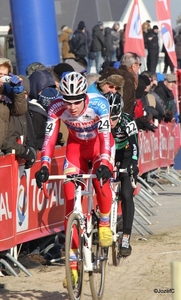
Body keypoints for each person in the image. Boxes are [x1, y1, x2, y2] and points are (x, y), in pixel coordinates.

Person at [35, 72, 114, 286]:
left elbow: (106, 136)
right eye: (68, 101)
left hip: (99, 146)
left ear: (84, 96)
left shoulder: (99, 104)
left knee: (100, 181)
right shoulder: (56, 107)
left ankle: (105, 222)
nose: (72, 107)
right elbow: (49, 139)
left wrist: (106, 163)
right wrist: (43, 165)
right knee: (70, 202)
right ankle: (72, 267)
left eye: (77, 101)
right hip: (76, 148)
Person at [105, 91, 139, 257]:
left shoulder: (127, 120)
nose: (111, 122)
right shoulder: (100, 121)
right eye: (108, 118)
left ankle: (126, 237)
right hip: (108, 155)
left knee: (126, 194)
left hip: (125, 156)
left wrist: (134, 163)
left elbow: (134, 145)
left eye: (114, 118)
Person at [1, 75, 36, 168]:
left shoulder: (25, 113)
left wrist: (30, 150)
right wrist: (24, 151)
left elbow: (30, 136)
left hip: (18, 163)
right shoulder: (6, 110)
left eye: (24, 94)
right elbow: (4, 141)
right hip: (6, 161)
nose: (21, 97)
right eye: (19, 93)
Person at [0, 57, 27, 150]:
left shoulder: (6, 96)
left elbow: (20, 111)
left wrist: (18, 92)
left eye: (5, 75)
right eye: (0, 74)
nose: (2, 78)